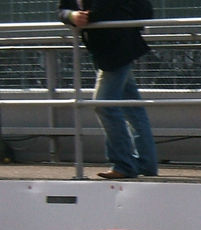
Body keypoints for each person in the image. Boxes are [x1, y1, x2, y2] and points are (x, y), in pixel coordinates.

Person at [58, 0, 158, 179]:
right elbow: (62, 10)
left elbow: (106, 10)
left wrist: (83, 16)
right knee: (132, 107)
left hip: (117, 48)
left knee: (104, 104)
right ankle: (146, 164)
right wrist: (71, 15)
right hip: (105, 49)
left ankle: (124, 164)